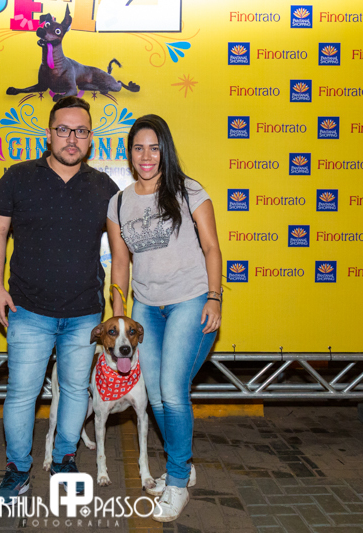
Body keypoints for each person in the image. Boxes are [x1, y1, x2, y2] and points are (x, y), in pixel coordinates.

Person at [0, 96, 119, 500]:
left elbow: (120, 251)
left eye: (80, 131)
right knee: (22, 394)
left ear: (91, 137)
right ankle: (17, 470)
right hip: (28, 309)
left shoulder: (105, 187)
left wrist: (117, 307)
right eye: (63, 129)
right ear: (49, 133)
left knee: (76, 391)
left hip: (84, 313)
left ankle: (64, 461)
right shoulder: (18, 177)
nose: (71, 138)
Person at [107, 114, 223, 522]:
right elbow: (120, 263)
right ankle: (182, 465)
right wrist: (118, 316)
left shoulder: (189, 191)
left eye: (154, 148)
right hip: (145, 308)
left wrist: (214, 297)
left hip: (190, 300)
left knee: (172, 390)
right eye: (139, 148)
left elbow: (212, 248)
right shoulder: (118, 203)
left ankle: (176, 483)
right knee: (155, 393)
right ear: (129, 153)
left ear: (165, 151)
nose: (146, 156)